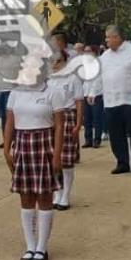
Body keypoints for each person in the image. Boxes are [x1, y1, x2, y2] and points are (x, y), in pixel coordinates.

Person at [4, 77, 66, 260]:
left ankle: (42, 247)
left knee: (45, 197)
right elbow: (9, 123)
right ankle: (30, 246)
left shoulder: (53, 92)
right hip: (23, 144)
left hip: (44, 143)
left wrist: (56, 154)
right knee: (26, 197)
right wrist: (6, 150)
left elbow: (59, 126)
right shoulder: (15, 93)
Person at [101, 25, 131, 176]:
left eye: (108, 37)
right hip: (110, 100)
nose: (106, 40)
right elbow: (98, 77)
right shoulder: (104, 56)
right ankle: (122, 163)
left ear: (118, 37)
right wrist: (92, 93)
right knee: (115, 134)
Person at [47, 53, 83, 211]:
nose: (55, 64)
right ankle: (57, 192)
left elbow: (79, 102)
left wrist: (78, 123)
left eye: (58, 61)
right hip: (50, 117)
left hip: (68, 115)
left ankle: (66, 195)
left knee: (66, 159)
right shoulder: (47, 79)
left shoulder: (72, 79)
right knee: (53, 158)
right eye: (52, 61)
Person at [81, 44, 104, 149]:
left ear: (94, 52)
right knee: (87, 119)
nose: (86, 53)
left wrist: (92, 94)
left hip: (96, 94)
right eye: (84, 51)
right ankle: (88, 139)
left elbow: (98, 81)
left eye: (88, 51)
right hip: (85, 93)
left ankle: (97, 139)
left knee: (97, 118)